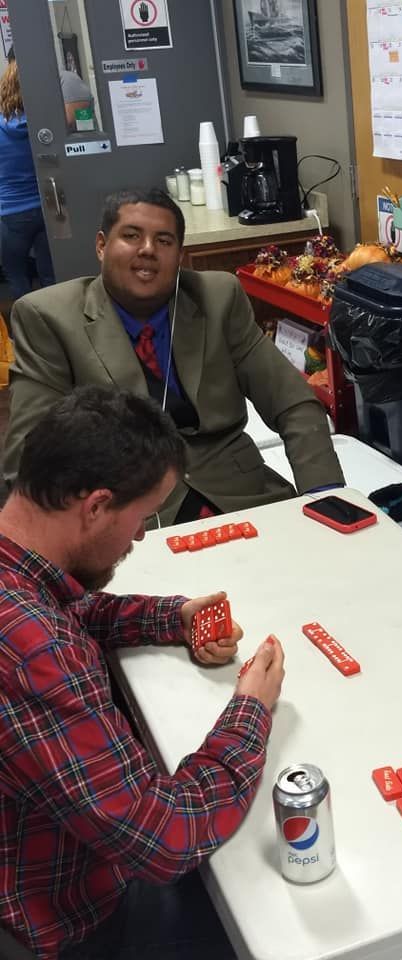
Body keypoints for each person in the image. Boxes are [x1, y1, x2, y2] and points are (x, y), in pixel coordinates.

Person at [0, 385, 285, 959]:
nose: (139, 537)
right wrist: (252, 710)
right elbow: (165, 837)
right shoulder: (35, 650)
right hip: (62, 923)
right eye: (140, 517)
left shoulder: (19, 564)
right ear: (97, 505)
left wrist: (172, 618)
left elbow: (71, 607)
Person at [4, 186, 344, 525]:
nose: (148, 250)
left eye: (164, 241)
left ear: (180, 258)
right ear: (102, 246)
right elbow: (28, 453)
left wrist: (325, 497)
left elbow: (292, 402)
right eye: (132, 236)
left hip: (240, 493)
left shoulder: (218, 297)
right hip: (124, 516)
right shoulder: (49, 317)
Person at [0, 47, 55, 300]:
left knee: (15, 274)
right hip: (46, 207)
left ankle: (23, 330)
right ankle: (54, 327)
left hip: (10, 212)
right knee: (50, 275)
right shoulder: (43, 123)